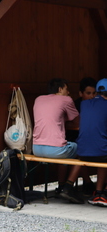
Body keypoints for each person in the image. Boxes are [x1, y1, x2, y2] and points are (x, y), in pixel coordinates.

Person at [32, 78, 83, 203]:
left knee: (66, 147)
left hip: (36, 148)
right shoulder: (66, 100)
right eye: (66, 89)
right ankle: (68, 187)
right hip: (55, 150)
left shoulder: (38, 99)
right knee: (83, 150)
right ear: (60, 89)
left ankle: (60, 186)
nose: (68, 92)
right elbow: (78, 122)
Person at [73, 78, 107, 206]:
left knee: (101, 149)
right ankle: (102, 192)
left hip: (81, 152)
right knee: (103, 153)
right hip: (101, 152)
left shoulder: (84, 104)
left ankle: (98, 192)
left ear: (97, 92)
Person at [67, 77, 97, 193]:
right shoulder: (74, 106)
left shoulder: (99, 105)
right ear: (81, 93)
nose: (92, 96)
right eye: (88, 93)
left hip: (93, 138)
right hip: (75, 137)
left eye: (94, 93)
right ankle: (88, 183)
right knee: (80, 151)